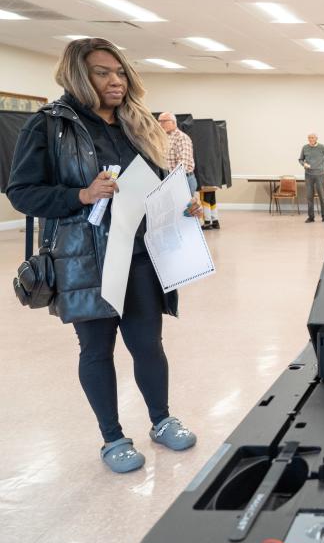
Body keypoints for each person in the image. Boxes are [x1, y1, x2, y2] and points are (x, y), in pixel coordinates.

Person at [6, 38, 200, 474]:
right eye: (102, 72)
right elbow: (21, 192)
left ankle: (161, 418)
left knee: (148, 345)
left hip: (142, 256)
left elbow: (153, 187)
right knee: (96, 350)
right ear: (79, 75)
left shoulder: (139, 123)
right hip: (85, 260)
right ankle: (112, 438)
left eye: (120, 71)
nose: (116, 81)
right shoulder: (49, 125)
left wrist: (181, 204)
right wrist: (82, 193)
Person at [158, 111, 197, 197]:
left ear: (173, 122)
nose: (160, 124)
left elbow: (183, 165)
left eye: (164, 121)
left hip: (182, 180)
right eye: (159, 121)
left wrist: (172, 182)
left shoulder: (181, 138)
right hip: (170, 180)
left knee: (184, 210)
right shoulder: (164, 138)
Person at [299, 132, 324, 223]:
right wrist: (303, 164)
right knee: (309, 196)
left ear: (316, 138)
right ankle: (311, 217)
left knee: (322, 196)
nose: (310, 139)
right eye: (309, 138)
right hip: (308, 175)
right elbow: (300, 159)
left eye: (312, 137)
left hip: (319, 174)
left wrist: (323, 165)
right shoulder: (305, 147)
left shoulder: (321, 147)